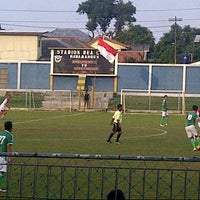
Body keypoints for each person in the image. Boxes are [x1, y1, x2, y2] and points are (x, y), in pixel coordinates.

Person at [0, 121, 14, 192]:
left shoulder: (0, 133)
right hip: (2, 156)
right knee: (1, 172)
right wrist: (10, 157)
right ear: (11, 128)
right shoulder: (9, 135)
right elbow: (8, 146)